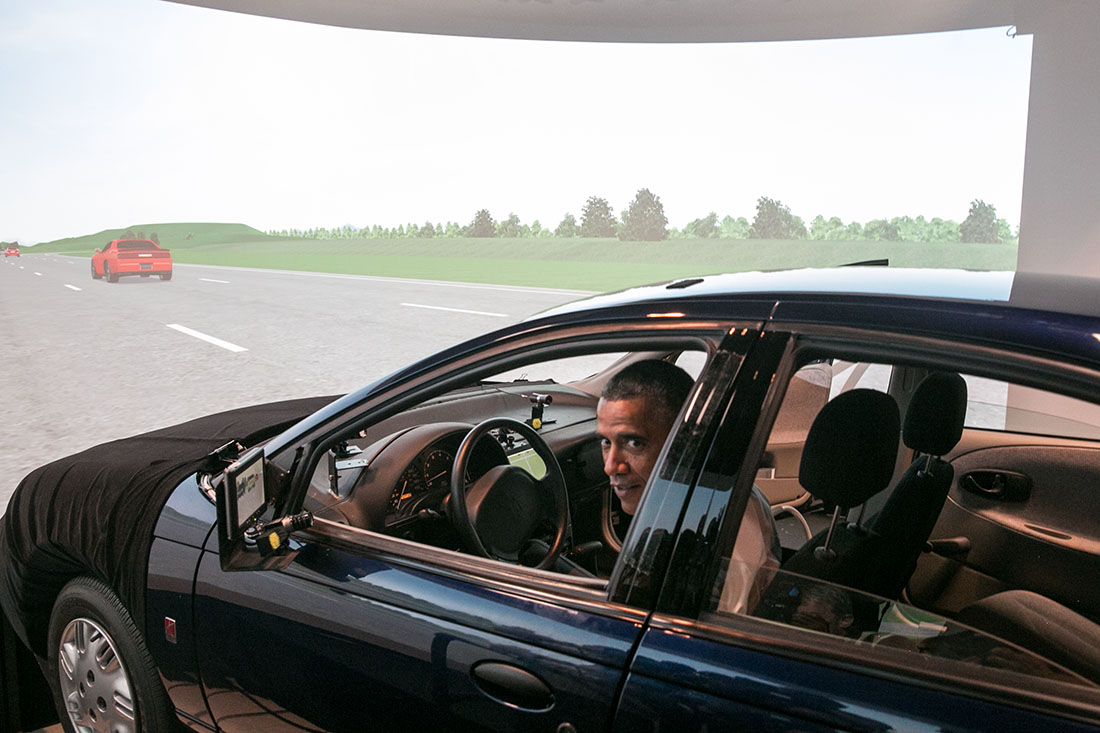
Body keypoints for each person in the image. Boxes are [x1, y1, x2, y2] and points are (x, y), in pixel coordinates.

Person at [596, 358, 780, 612]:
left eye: (634, 443)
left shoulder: (722, 523)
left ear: (681, 443)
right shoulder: (690, 499)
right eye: (606, 443)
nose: (611, 465)